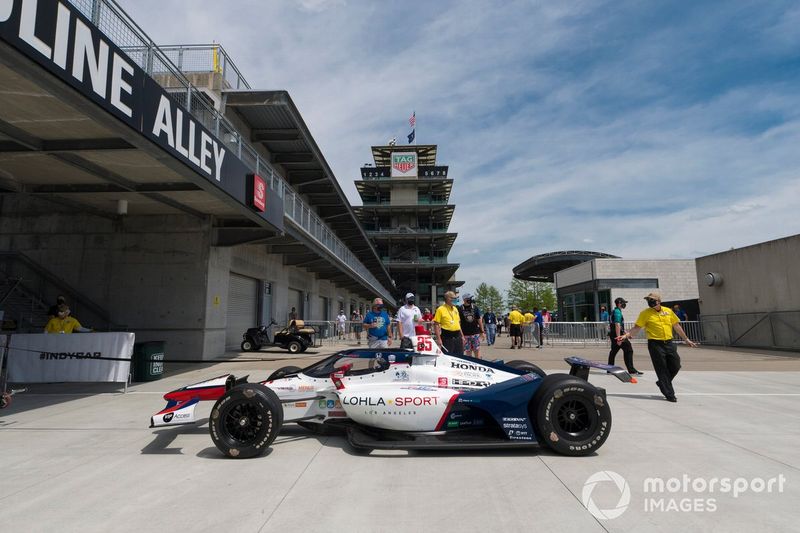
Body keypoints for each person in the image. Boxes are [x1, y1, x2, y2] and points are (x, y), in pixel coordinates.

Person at [616, 291, 697, 402]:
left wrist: (686, 339)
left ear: (659, 301)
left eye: (652, 300)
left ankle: (661, 383)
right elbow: (636, 328)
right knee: (662, 369)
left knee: (676, 365)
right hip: (655, 344)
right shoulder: (645, 313)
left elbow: (676, 326)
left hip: (669, 343)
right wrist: (625, 335)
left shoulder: (668, 311)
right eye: (648, 300)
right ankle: (669, 394)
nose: (650, 302)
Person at [607, 298, 642, 375]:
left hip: (614, 334)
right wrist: (619, 338)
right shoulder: (617, 312)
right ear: (619, 303)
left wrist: (627, 334)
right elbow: (617, 324)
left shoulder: (615, 311)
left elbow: (620, 326)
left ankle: (609, 369)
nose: (624, 304)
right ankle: (631, 370)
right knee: (628, 350)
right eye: (623, 303)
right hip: (617, 335)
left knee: (614, 351)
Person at [433, 291, 463, 355]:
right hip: (447, 337)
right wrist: (438, 339)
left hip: (457, 336)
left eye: (455, 298)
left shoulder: (455, 309)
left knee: (460, 356)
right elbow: (436, 325)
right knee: (448, 356)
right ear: (448, 298)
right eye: (453, 298)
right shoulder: (440, 309)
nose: (455, 300)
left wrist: (462, 336)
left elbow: (458, 323)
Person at [458, 293, 484, 358]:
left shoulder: (475, 308)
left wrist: (482, 331)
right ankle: (471, 364)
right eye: (469, 299)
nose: (471, 300)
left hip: (475, 333)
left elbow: (479, 320)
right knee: (468, 351)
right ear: (464, 299)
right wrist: (461, 334)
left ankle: (478, 363)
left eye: (471, 298)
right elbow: (458, 322)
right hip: (465, 334)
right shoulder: (460, 308)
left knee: (477, 350)